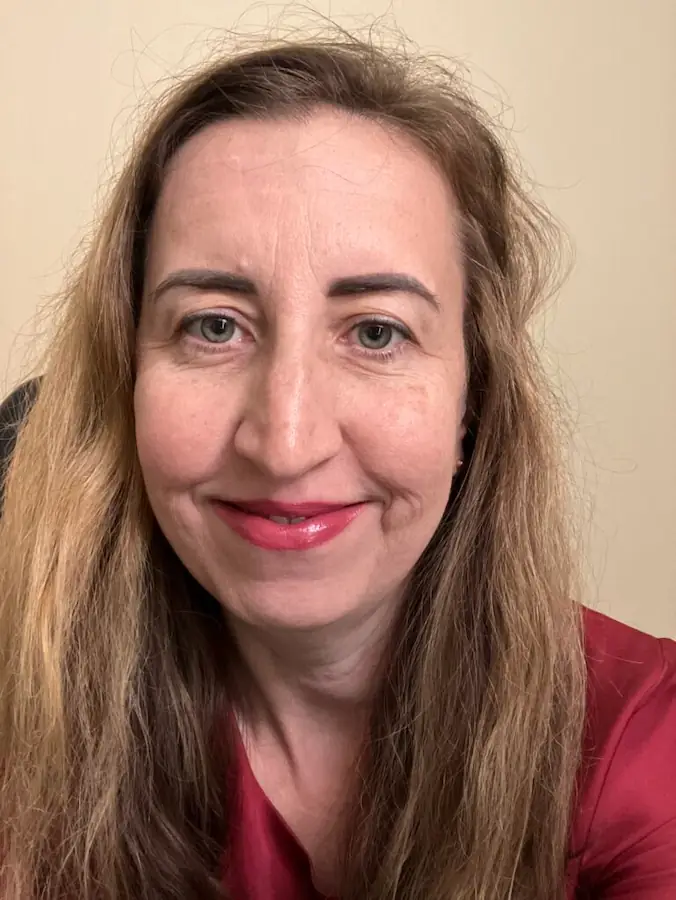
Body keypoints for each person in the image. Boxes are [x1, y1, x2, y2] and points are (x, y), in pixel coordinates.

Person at [0, 34, 674, 900]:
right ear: (125, 376)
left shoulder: (643, 745)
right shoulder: (29, 724)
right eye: (212, 325)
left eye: (376, 332)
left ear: (475, 400)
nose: (285, 443)